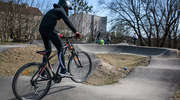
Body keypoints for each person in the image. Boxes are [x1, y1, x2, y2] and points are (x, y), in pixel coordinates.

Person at [39, 0, 81, 77]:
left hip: (42, 29)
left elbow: (48, 24)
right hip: (48, 29)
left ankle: (42, 72)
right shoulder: (61, 10)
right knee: (60, 48)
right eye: (68, 9)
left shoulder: (54, 11)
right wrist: (76, 32)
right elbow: (67, 21)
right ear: (65, 6)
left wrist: (58, 33)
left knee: (48, 50)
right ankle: (63, 70)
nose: (67, 11)